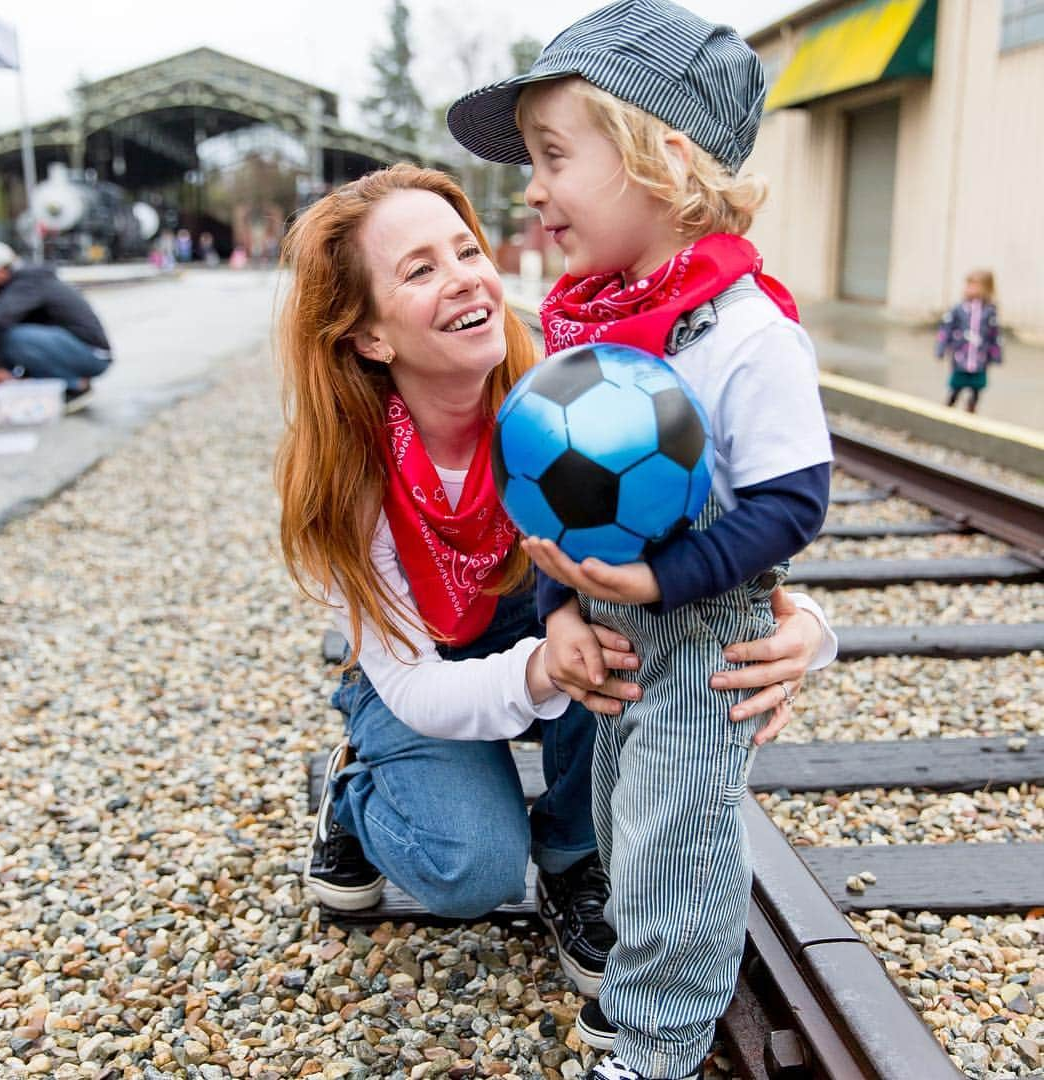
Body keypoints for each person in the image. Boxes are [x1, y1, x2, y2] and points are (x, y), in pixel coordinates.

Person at [276, 164, 836, 1006]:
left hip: (556, 643)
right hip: (426, 669)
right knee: (471, 871)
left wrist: (804, 634)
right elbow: (419, 685)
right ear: (368, 336)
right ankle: (357, 794)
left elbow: (723, 535)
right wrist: (543, 669)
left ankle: (577, 855)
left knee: (623, 627)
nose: (465, 276)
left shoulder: (586, 386)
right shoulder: (346, 477)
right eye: (420, 269)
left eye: (466, 249)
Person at [448, 4, 833, 1078]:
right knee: (624, 821)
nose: (530, 189)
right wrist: (568, 601)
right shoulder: (590, 323)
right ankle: (641, 988)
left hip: (701, 638)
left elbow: (794, 503)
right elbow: (556, 504)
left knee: (677, 836)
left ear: (660, 161)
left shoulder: (746, 331)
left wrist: (666, 576)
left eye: (554, 156)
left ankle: (658, 1042)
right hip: (617, 630)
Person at [0, 241, 112, 412]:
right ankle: (43, 386)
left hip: (93, 354)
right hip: (70, 349)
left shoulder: (29, 282)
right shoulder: (21, 287)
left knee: (11, 338)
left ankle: (75, 385)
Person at [936, 269, 1001, 414]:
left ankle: (971, 410)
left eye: (975, 285)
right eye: (968, 285)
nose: (970, 289)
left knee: (976, 388)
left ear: (986, 288)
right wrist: (941, 348)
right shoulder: (959, 309)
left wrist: (996, 355)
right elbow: (946, 329)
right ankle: (947, 409)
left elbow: (994, 335)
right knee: (956, 385)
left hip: (980, 359)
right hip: (961, 357)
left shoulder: (989, 311)